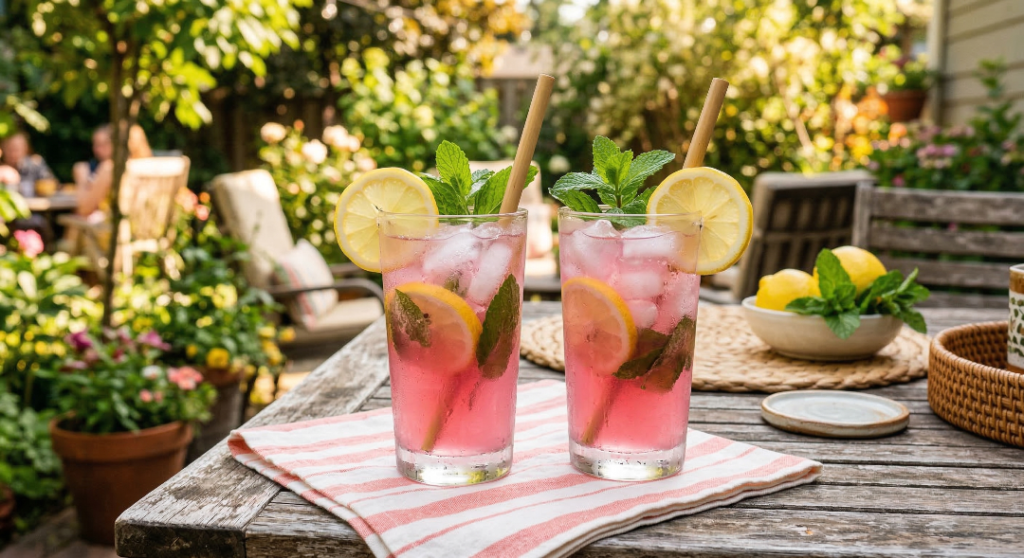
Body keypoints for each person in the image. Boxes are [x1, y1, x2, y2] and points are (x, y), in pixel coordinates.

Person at [73, 124, 152, 217]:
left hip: (117, 228)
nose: (95, 149)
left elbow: (84, 209)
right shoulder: (153, 167)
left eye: (103, 144)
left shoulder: (109, 168)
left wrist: (82, 177)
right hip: (149, 227)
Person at [1, 131, 54, 197]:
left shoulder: (35, 163)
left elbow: (51, 184)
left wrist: (16, 184)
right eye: (9, 149)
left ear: (25, 148)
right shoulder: (1, 169)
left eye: (16, 149)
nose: (13, 153)